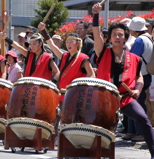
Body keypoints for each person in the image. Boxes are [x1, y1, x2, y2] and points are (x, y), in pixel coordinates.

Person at [92, 3, 154, 158]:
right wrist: (95, 15)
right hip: (104, 97)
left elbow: (139, 76)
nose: (117, 37)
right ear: (110, 38)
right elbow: (96, 35)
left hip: (125, 98)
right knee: (96, 126)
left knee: (144, 120)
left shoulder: (134, 58)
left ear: (126, 37)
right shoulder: (102, 52)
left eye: (121, 35)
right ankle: (91, 152)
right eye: (114, 35)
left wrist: (138, 89)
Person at [38, 22, 95, 145]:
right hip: (61, 92)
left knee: (69, 118)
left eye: (71, 42)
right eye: (67, 42)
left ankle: (69, 139)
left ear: (78, 43)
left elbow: (92, 76)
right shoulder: (64, 56)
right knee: (56, 116)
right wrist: (44, 31)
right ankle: (53, 138)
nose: (68, 44)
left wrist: (83, 89)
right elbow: (52, 45)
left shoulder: (83, 58)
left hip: (75, 93)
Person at [122, 17, 154, 142]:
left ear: (134, 30)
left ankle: (139, 133)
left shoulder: (140, 40)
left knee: (136, 104)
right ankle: (132, 131)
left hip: (139, 76)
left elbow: (132, 59)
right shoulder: (148, 38)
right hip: (145, 75)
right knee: (134, 102)